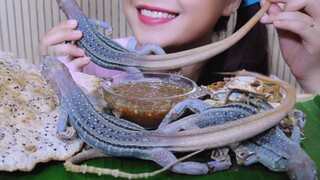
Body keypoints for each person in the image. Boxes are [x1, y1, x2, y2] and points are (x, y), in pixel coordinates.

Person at [39, 0, 320, 93]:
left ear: (231, 2)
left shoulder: (254, 92)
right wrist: (45, 84)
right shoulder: (82, 65)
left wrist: (313, 78)